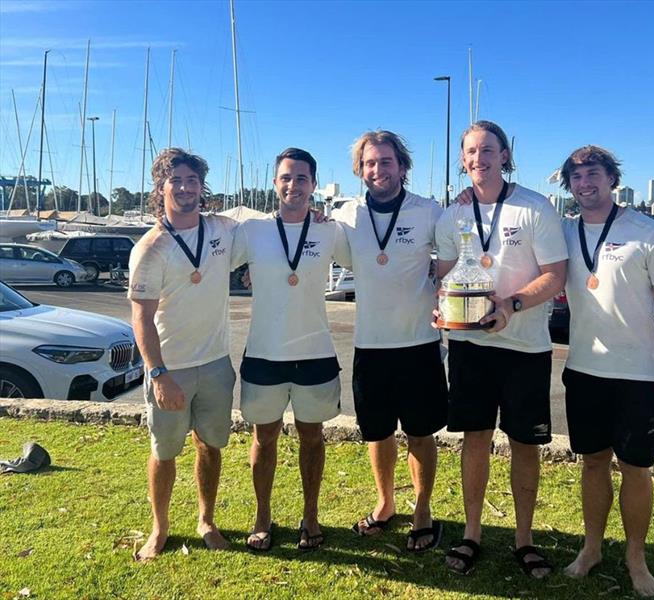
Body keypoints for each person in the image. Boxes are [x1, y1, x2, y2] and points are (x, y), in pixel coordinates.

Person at [436, 120, 568, 577]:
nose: (479, 159)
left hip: (525, 348)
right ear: (462, 159)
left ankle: (524, 538)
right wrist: (444, 308)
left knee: (524, 443)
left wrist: (512, 304)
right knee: (474, 439)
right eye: (470, 152)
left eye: (488, 150)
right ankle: (471, 533)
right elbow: (446, 273)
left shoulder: (535, 207)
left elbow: (556, 275)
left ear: (505, 155)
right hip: (470, 346)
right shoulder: (453, 215)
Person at [558, 145, 654, 597]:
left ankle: (636, 556)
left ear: (612, 178)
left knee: (636, 468)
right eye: (576, 177)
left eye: (593, 173)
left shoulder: (648, 232)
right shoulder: (562, 232)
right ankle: (592, 548)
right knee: (592, 463)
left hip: (635, 376)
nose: (584, 183)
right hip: (582, 371)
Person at [333, 130, 448, 552]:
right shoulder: (347, 215)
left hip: (419, 344)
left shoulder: (429, 211)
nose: (378, 170)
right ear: (359, 169)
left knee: (421, 433)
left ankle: (422, 509)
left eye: (386, 162)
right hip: (370, 345)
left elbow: (458, 252)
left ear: (402, 166)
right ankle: (385, 504)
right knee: (377, 434)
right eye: (369, 163)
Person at [231, 148, 349, 552]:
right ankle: (263, 516)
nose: (293, 185)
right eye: (285, 177)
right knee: (264, 438)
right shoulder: (252, 232)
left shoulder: (330, 230)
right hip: (263, 353)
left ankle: (311, 515)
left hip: (315, 352)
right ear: (274, 182)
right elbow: (210, 252)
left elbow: (370, 260)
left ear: (314, 185)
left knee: (312, 438)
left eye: (301, 178)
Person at [129, 148, 238, 561]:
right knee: (164, 451)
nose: (186, 187)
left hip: (215, 365)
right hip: (169, 368)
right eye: (177, 180)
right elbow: (141, 318)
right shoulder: (150, 247)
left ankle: (206, 520)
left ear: (201, 187)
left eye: (193, 180)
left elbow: (274, 230)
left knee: (210, 446)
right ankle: (159, 528)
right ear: (162, 188)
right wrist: (158, 375)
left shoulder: (223, 230)